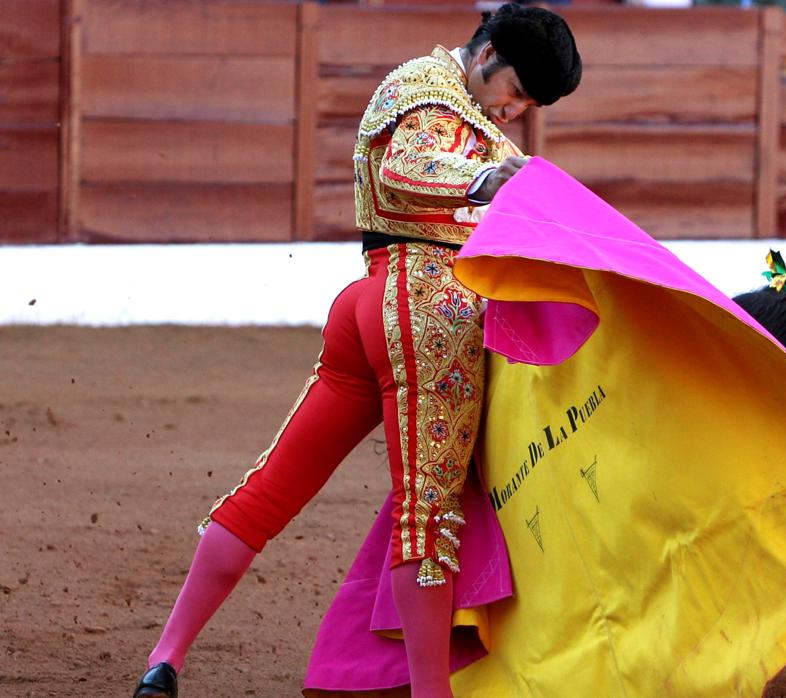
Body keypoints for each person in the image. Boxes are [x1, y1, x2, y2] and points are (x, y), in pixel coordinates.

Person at [132, 6, 581, 697]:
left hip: (368, 304)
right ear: (486, 52)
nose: (516, 110)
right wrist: (487, 180)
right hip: (427, 311)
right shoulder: (437, 96)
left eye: (527, 104)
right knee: (427, 513)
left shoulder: (435, 91)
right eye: (516, 91)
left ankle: (166, 658)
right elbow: (409, 167)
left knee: (272, 486)